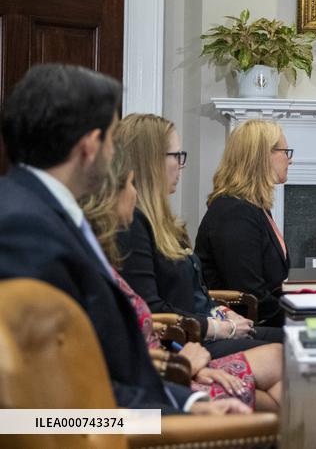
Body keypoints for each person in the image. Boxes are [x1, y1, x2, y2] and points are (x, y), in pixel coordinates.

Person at [0, 64, 246, 415]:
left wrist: (190, 403)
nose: (116, 154)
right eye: (112, 140)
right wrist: (176, 421)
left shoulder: (37, 210)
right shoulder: (24, 230)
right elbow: (43, 413)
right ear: (89, 146)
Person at [80, 147, 284, 411]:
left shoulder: (101, 261)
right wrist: (182, 376)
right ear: (109, 194)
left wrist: (183, 371)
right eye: (130, 183)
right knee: (282, 383)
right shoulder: (93, 260)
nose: (135, 193)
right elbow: (74, 418)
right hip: (161, 381)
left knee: (283, 370)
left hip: (169, 369)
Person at [114, 114, 281, 356]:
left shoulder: (167, 224)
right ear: (150, 161)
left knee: (295, 341)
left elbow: (197, 294)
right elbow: (152, 308)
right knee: (287, 352)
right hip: (188, 341)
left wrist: (224, 313)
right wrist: (220, 327)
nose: (182, 165)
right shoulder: (132, 225)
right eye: (177, 156)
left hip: (204, 327)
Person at [195, 119, 292, 327]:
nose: (290, 160)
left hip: (264, 318)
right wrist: (299, 318)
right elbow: (250, 294)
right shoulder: (235, 213)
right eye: (286, 152)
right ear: (263, 156)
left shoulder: (255, 207)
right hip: (245, 325)